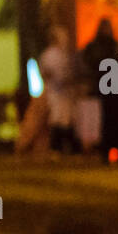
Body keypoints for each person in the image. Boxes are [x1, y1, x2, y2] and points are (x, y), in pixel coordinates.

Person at [81, 17, 118, 163]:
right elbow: (90, 62)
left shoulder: (117, 47)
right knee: (108, 121)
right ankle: (106, 151)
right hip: (106, 88)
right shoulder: (95, 47)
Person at [39, 26, 80, 155]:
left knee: (66, 118)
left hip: (65, 92)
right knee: (58, 118)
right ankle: (57, 147)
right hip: (56, 91)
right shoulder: (49, 55)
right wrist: (55, 82)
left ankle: (67, 148)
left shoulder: (63, 55)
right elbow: (45, 72)